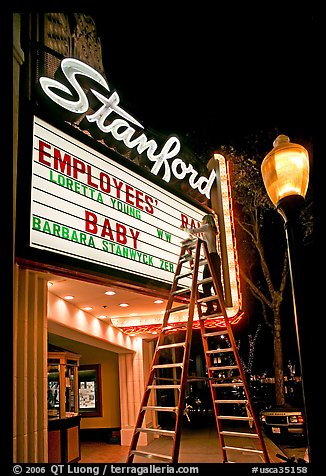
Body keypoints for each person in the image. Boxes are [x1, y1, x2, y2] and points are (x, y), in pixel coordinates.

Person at [181, 213, 224, 315]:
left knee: (209, 284)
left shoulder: (208, 227)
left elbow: (193, 231)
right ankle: (217, 307)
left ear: (206, 220)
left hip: (211, 257)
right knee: (213, 284)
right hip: (213, 257)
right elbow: (200, 238)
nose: (201, 222)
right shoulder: (211, 231)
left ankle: (212, 308)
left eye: (202, 221)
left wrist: (183, 228)